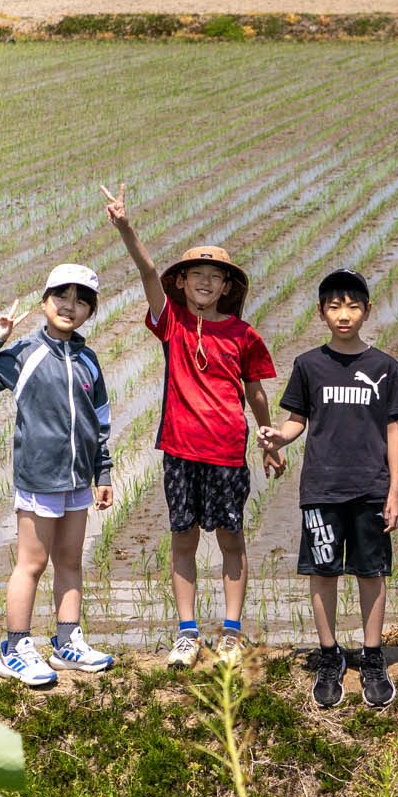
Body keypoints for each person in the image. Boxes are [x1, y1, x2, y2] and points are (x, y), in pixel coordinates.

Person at [105, 184, 279, 667]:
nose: (204, 281)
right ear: (180, 282)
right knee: (183, 538)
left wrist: (269, 441)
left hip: (226, 451)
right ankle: (186, 632)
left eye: (214, 276)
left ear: (227, 286)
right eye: (195, 274)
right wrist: (126, 228)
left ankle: (231, 631)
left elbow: (256, 392)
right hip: (180, 450)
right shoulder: (172, 322)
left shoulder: (243, 334)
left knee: (230, 539)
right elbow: (145, 273)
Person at [261, 269, 398, 709]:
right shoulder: (309, 365)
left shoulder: (385, 367)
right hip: (323, 489)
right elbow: (295, 421)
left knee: (371, 572)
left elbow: (394, 430)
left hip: (371, 488)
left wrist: (395, 491)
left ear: (367, 310)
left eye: (352, 306)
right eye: (334, 306)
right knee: (322, 571)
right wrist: (277, 438)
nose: (344, 315)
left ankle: (372, 655)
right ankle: (330, 657)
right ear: (321, 312)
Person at [0, 266, 116, 687]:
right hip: (38, 477)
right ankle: (15, 648)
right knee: (32, 562)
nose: (70, 305)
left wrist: (102, 472)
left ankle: (67, 642)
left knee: (70, 561)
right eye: (61, 296)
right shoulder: (25, 353)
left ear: (90, 311)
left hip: (78, 479)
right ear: (45, 302)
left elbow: (100, 422)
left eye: (81, 300)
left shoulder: (88, 360)